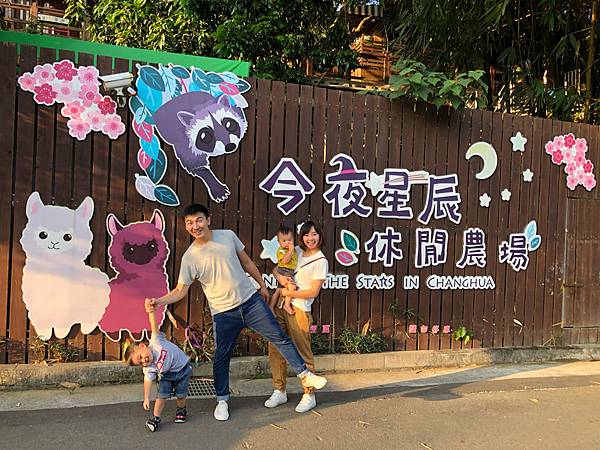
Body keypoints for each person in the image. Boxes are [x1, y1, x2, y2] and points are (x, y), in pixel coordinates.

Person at [145, 204, 327, 421]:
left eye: (199, 220)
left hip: (250, 302)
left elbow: (247, 262)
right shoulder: (190, 257)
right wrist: (159, 301)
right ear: (186, 226)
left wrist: (262, 285)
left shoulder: (227, 236)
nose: (195, 226)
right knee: (221, 357)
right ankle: (222, 400)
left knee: (280, 337)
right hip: (223, 313)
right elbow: (180, 290)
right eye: (190, 223)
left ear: (208, 220)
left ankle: (305, 375)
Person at [265, 221, 329, 413]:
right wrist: (281, 279)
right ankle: (279, 390)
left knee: (303, 351)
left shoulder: (321, 261)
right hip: (281, 307)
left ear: (320, 236)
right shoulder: (296, 251)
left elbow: (313, 292)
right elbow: (276, 269)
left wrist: (288, 293)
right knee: (275, 348)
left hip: (300, 309)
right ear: (301, 237)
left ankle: (309, 394)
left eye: (314, 234)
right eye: (307, 235)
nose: (311, 238)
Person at [124, 306, 192, 432]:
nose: (144, 361)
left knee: (181, 394)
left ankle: (181, 409)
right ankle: (156, 418)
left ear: (143, 346)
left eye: (141, 357)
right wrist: (146, 397)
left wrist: (151, 312)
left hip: (183, 369)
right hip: (166, 375)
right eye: (140, 363)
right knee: (161, 396)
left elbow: (153, 325)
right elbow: (147, 381)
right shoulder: (149, 368)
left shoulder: (156, 342)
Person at [270, 224, 298, 316]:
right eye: (284, 241)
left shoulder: (294, 250)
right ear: (279, 242)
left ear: (293, 239)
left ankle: (271, 307)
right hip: (284, 271)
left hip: (288, 271)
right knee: (292, 287)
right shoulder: (281, 250)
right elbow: (285, 261)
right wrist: (290, 251)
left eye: (289, 240)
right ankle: (287, 305)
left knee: (278, 290)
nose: (287, 243)